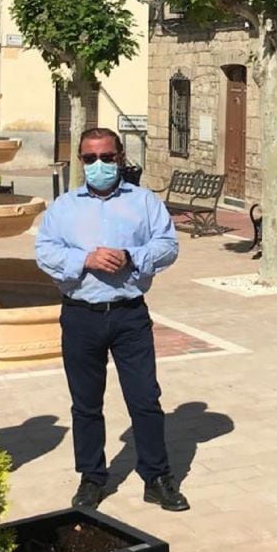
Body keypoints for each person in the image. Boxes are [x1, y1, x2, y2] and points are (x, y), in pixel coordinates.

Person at [35, 127, 188, 511]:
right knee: (85, 403)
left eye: (107, 157)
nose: (99, 165)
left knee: (145, 399)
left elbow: (168, 245)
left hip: (129, 315)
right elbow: (44, 252)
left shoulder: (144, 202)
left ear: (121, 157)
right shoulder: (64, 207)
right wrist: (83, 259)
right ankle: (92, 477)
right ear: (81, 161)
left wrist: (131, 256)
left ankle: (156, 476)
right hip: (80, 315)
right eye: (90, 158)